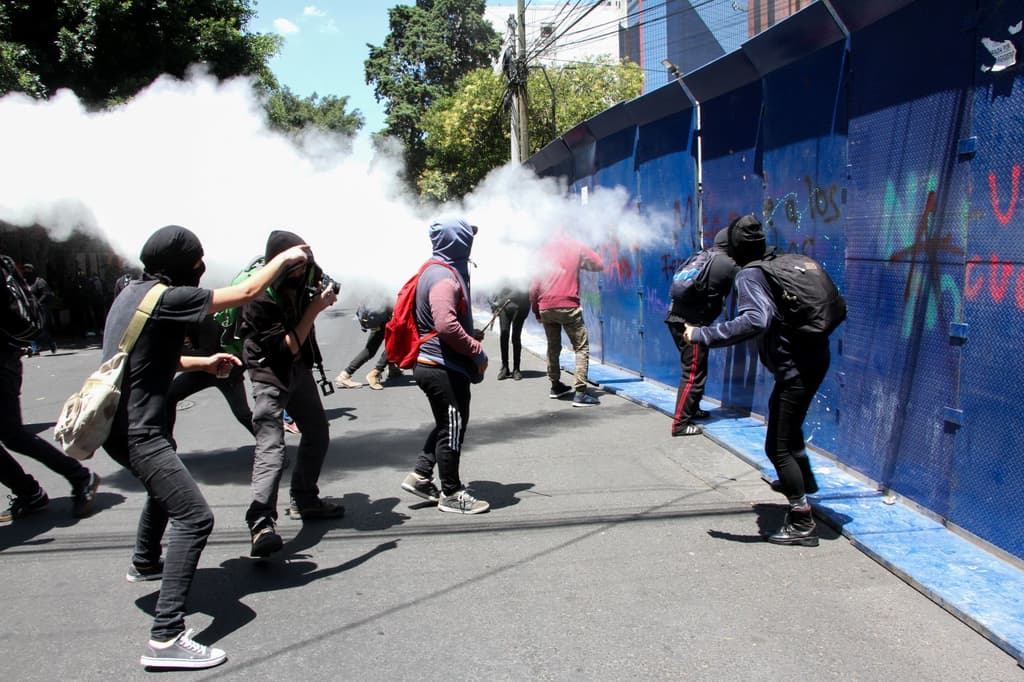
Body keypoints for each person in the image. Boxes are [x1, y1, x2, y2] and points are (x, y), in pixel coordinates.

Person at [101, 224, 310, 669]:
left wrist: (204, 362)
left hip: (117, 429)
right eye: (197, 261)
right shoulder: (170, 297)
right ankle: (166, 638)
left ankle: (144, 561)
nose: (202, 267)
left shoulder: (132, 294)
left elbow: (152, 355)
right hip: (140, 431)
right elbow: (248, 291)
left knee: (166, 488)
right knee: (195, 517)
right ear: (181, 265)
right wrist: (283, 257)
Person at [684, 214, 830, 547]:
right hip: (815, 359)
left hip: (794, 368)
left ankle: (802, 521)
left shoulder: (751, 276)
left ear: (735, 250)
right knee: (789, 429)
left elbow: (755, 320)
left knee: (777, 447)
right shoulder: (782, 263)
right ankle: (803, 482)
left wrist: (703, 335)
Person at [240, 230, 343, 559]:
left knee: (317, 431)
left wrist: (327, 291)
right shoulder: (259, 298)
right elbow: (285, 350)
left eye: (304, 264)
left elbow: (324, 280)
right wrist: (314, 309)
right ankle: (261, 523)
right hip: (269, 371)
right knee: (271, 446)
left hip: (299, 368)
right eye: (294, 265)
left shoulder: (307, 271)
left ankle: (304, 498)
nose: (301, 271)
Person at [399, 219, 490, 514]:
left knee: (447, 423)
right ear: (458, 241)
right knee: (453, 426)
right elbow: (446, 326)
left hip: (435, 363)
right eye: (467, 237)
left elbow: (444, 322)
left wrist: (469, 334)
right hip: (440, 366)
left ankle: (421, 475)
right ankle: (451, 492)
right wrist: (476, 350)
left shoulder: (435, 268)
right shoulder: (444, 277)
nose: (471, 242)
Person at [0, 269, 100, 522]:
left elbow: (6, 313)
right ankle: (29, 492)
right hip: (5, 358)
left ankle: (80, 477)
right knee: (12, 435)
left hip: (1, 362)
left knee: (13, 435)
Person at [665, 230, 738, 436]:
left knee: (696, 370)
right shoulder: (727, 264)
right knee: (693, 374)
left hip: (676, 318)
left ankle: (692, 408)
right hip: (692, 325)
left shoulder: (703, 256)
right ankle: (680, 424)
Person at [529, 234, 605, 406]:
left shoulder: (541, 252)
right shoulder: (575, 245)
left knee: (553, 346)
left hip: (545, 307)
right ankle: (580, 393)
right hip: (568, 306)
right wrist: (580, 263)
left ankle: (555, 386)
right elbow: (599, 264)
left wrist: (536, 312)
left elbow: (533, 288)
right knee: (581, 347)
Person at [165, 313, 254, 439]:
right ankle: (167, 441)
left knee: (243, 414)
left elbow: (207, 354)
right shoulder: (180, 321)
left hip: (224, 371)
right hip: (203, 371)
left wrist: (177, 352)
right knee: (169, 397)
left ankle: (272, 443)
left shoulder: (206, 319)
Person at [334, 304, 393, 390]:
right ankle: (376, 372)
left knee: (371, 349)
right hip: (384, 316)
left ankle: (392, 368)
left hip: (378, 316)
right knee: (394, 344)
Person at [490, 286, 530, 381]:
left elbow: (526, 287)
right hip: (503, 305)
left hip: (520, 305)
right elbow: (496, 283)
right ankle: (505, 367)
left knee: (516, 337)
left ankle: (516, 369)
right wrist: (494, 301)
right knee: (504, 335)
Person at [22, 264, 58, 356]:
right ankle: (35, 348)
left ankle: (51, 342)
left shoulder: (40, 281)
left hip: (41, 307)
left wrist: (38, 302)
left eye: (28, 270)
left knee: (41, 329)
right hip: (29, 308)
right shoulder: (24, 282)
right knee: (31, 328)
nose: (27, 272)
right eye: (25, 270)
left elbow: (46, 293)